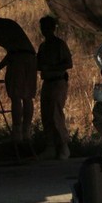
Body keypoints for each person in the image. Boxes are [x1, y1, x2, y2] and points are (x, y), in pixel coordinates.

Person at [0, 12, 38, 148]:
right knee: (28, 97)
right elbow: (15, 50)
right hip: (31, 59)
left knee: (16, 96)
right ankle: (26, 133)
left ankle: (17, 135)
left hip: (19, 60)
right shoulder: (7, 22)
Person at [36, 15, 73, 160]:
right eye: (42, 28)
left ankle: (64, 146)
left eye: (46, 27)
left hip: (58, 81)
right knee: (46, 114)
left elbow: (68, 63)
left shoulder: (59, 44)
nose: (44, 30)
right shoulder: (43, 46)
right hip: (47, 82)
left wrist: (51, 67)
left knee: (56, 113)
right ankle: (50, 146)